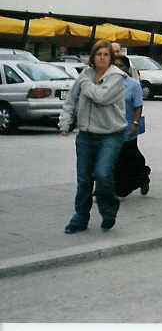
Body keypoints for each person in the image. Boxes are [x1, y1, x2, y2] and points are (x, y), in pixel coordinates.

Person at [58, 39, 127, 233]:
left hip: (110, 135)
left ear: (111, 58)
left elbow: (101, 97)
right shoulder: (85, 75)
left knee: (103, 174)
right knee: (84, 179)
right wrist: (65, 123)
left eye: (106, 55)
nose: (102, 58)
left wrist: (85, 83)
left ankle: (109, 208)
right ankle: (80, 218)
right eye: (99, 54)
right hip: (86, 135)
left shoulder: (117, 77)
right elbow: (71, 100)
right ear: (93, 57)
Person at [113, 54, 151, 197]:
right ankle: (109, 187)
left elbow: (138, 106)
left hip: (129, 127)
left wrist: (135, 124)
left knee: (129, 156)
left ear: (127, 68)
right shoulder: (106, 83)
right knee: (112, 157)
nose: (118, 69)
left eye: (121, 66)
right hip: (110, 127)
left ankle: (142, 177)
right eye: (115, 66)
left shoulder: (133, 85)